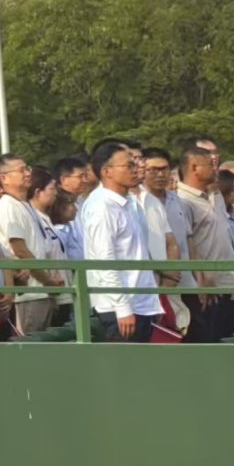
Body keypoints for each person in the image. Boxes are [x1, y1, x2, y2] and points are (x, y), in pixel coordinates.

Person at [74, 141, 164, 342]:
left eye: (135, 163)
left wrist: (151, 301)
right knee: (122, 361)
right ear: (107, 172)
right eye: (129, 165)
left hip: (140, 302)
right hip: (119, 308)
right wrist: (122, 308)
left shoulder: (129, 202)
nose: (136, 169)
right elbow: (104, 260)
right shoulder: (102, 207)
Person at [169, 148, 234, 342]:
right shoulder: (183, 200)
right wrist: (202, 276)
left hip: (226, 283)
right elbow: (188, 243)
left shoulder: (214, 195)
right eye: (210, 164)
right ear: (195, 168)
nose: (216, 169)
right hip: (204, 287)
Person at [0, 156, 65, 338]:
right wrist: (47, 280)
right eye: (21, 170)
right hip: (30, 293)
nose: (27, 173)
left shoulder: (24, 204)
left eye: (27, 168)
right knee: (32, 344)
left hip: (42, 290)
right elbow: (20, 250)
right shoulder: (8, 206)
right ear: (4, 178)